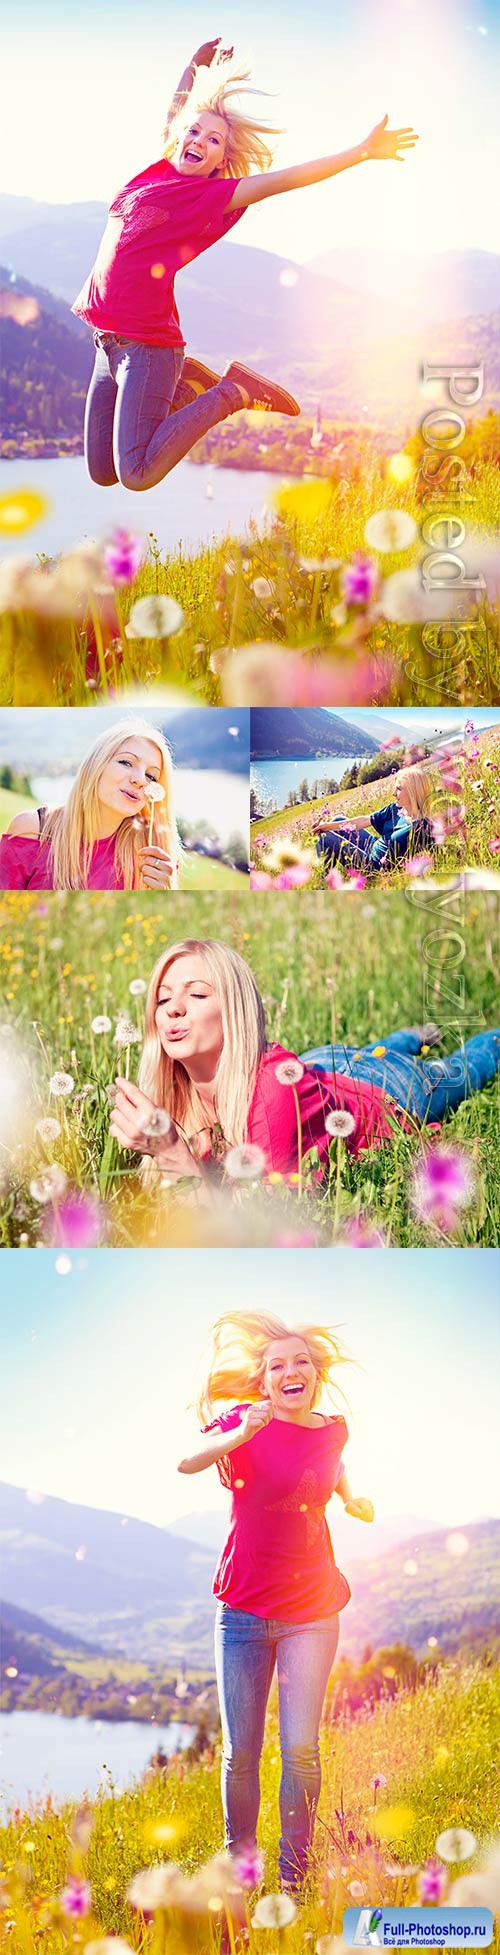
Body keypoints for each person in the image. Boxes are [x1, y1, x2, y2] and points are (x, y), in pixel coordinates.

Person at [72, 37, 418, 492]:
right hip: (107, 345)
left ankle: (232, 390)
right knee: (102, 473)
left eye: (213, 141)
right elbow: (179, 109)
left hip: (147, 349)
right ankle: (187, 386)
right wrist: (196, 62)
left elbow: (286, 180)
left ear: (221, 161)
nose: (199, 140)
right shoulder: (158, 170)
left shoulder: (206, 196)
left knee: (136, 474)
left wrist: (359, 153)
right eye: (194, 132)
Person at [177, 1309, 374, 1892]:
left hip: (312, 1612)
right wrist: (243, 1432)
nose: (292, 1371)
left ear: (316, 1373)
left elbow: (331, 1462)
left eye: (301, 1362)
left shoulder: (333, 1428)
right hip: (241, 1611)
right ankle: (241, 1872)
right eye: (277, 1365)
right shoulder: (243, 1421)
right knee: (240, 1753)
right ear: (262, 1381)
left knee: (301, 1750)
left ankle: (294, 1877)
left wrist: (352, 1497)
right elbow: (188, 1461)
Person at [107, 938, 500, 1181]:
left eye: (196, 995)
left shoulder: (272, 1095)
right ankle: (405, 1038)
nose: (172, 1009)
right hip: (317, 1067)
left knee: (462, 1070)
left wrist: (173, 1152)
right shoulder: (174, 1096)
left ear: (236, 1010)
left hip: (383, 1089)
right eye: (162, 999)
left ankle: (487, 1040)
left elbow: (255, 1224)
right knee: (363, 1054)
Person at [0, 718, 179, 890]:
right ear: (96, 764)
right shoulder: (32, 830)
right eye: (126, 762)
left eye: (151, 776)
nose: (140, 780)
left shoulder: (151, 854)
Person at [312, 765, 435, 876]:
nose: (393, 793)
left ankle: (326, 881)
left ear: (412, 792)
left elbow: (434, 852)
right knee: (338, 820)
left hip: (373, 866)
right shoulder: (396, 809)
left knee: (324, 837)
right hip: (371, 845)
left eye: (398, 789)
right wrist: (328, 826)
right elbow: (365, 820)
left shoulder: (421, 826)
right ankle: (330, 874)